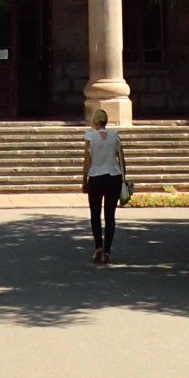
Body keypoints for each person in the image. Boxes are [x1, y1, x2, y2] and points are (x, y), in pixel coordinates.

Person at [81, 108, 126, 265]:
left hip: (96, 177)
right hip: (113, 176)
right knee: (110, 216)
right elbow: (122, 158)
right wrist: (124, 178)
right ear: (106, 120)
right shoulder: (114, 135)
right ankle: (107, 251)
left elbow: (87, 160)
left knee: (95, 215)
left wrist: (83, 180)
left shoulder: (90, 136)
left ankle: (98, 247)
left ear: (95, 120)